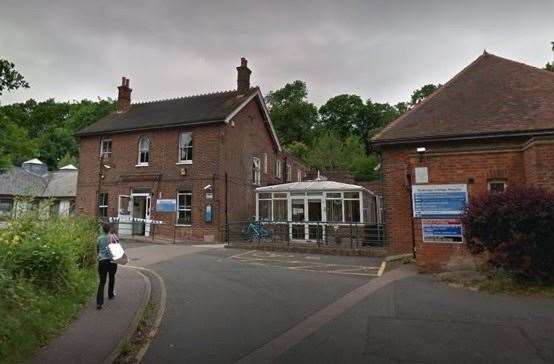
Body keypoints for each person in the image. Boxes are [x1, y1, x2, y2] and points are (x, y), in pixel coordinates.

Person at [96, 222, 118, 310]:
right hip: (112, 261)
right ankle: (110, 294)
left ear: (102, 229)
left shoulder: (99, 239)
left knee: (102, 281)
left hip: (102, 261)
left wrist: (100, 256)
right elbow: (117, 249)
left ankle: (99, 303)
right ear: (109, 229)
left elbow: (97, 250)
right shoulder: (113, 237)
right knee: (112, 277)